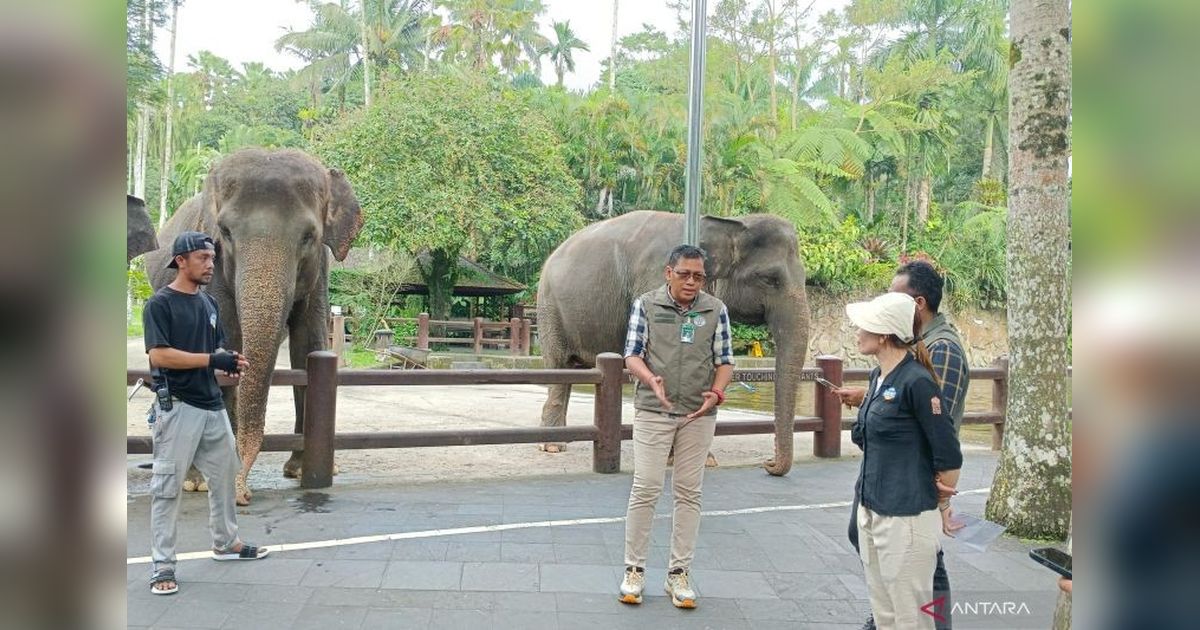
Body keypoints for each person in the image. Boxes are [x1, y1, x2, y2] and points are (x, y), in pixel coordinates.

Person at [839, 260, 969, 629]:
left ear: (884, 334)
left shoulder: (918, 379)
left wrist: (942, 503)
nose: (857, 332)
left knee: (912, 615)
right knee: (885, 613)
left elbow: (946, 446)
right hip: (873, 506)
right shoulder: (879, 376)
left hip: (907, 512)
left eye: (865, 325)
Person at [143, 231, 269, 595]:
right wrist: (210, 359)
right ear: (180, 261)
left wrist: (228, 366)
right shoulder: (160, 305)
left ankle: (226, 543)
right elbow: (159, 356)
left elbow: (212, 357)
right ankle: (162, 565)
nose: (210, 264)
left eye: (212, 258)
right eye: (203, 257)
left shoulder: (210, 305)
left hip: (213, 406)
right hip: (177, 408)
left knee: (226, 476)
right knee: (167, 487)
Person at [617, 244, 734, 609]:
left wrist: (717, 393)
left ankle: (678, 573)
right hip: (654, 411)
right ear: (668, 273)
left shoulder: (715, 309)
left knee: (688, 492)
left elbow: (725, 360)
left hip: (698, 415)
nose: (691, 282)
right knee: (646, 487)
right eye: (684, 274)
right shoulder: (646, 305)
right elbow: (631, 354)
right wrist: (650, 379)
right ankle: (634, 570)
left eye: (699, 276)